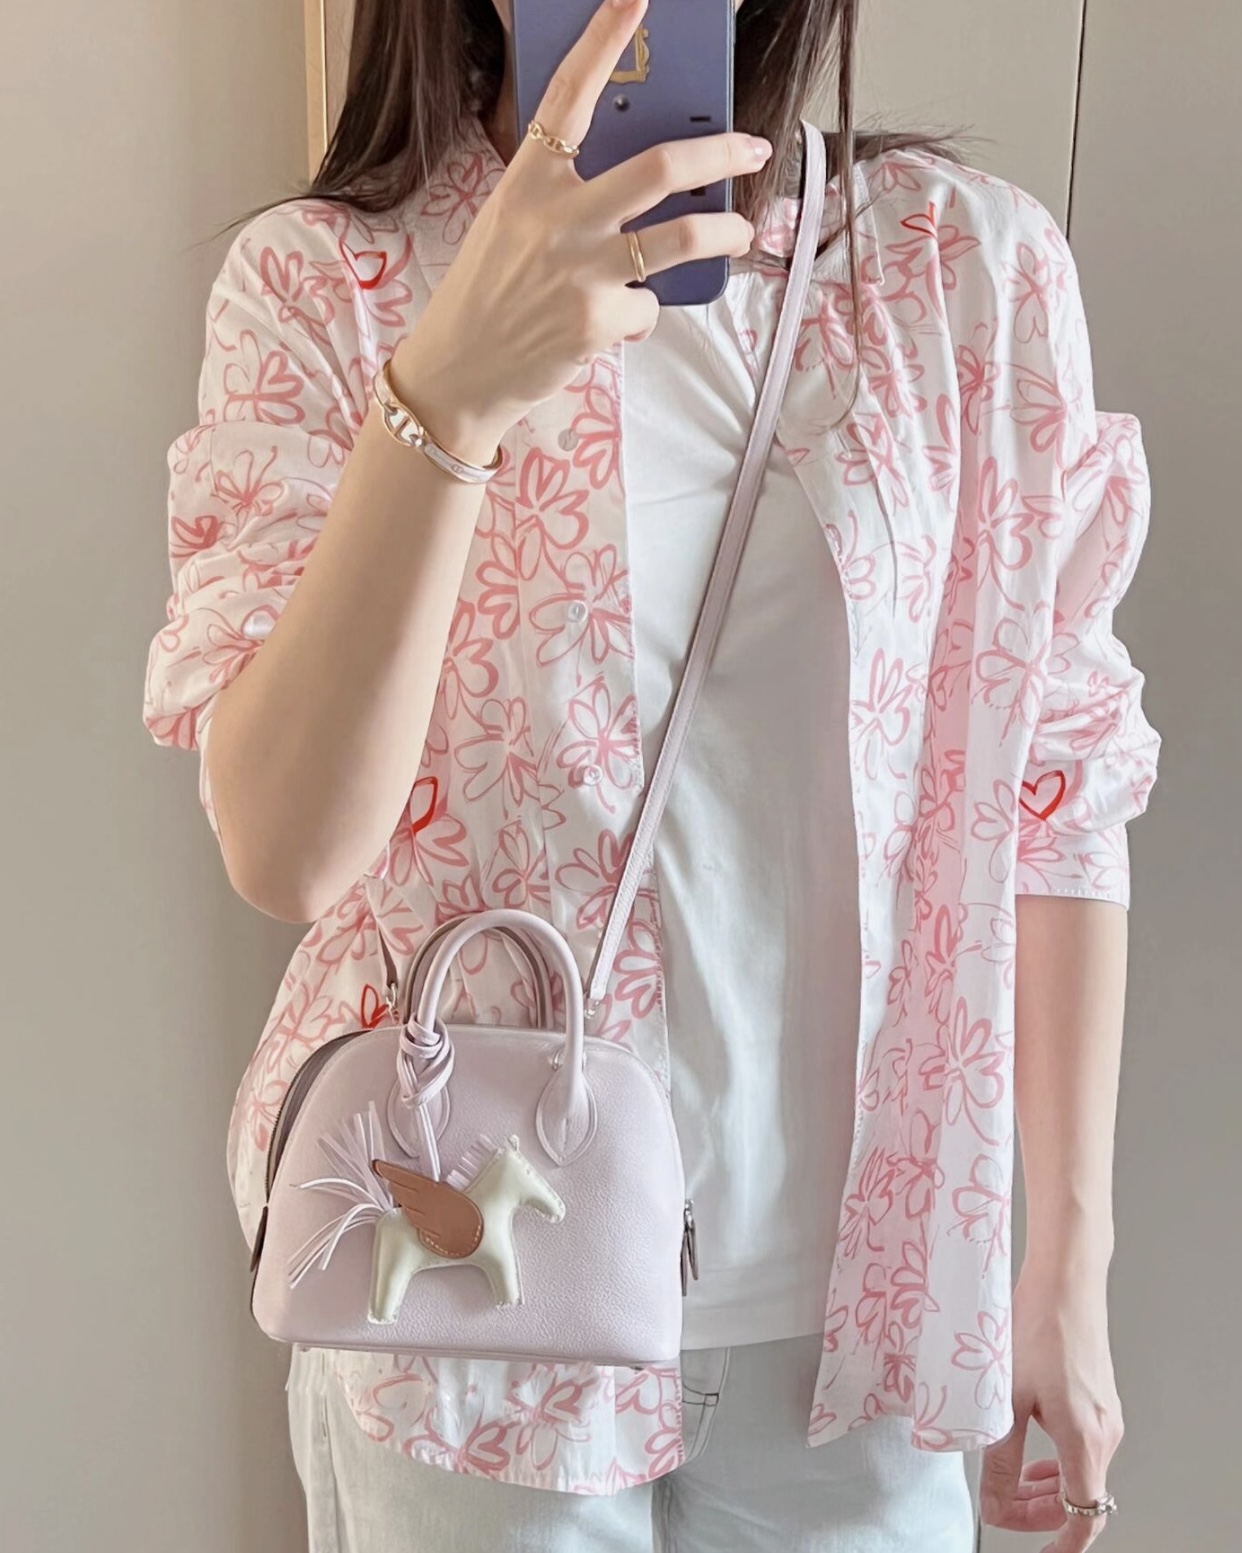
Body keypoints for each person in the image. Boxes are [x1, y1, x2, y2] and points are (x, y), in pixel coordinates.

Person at [140, 0, 1160, 1547]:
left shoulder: (957, 267)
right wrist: (448, 390)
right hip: (469, 1304)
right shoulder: (324, 284)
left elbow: (1059, 777)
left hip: (863, 1322)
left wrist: (1066, 1265)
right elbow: (286, 850)